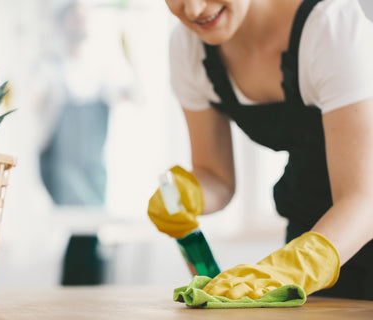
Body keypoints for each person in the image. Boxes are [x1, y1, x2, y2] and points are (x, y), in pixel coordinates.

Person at [148, 0, 373, 300]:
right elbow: (216, 176)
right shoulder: (190, 47)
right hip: (313, 237)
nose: (193, 9)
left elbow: (364, 200)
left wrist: (293, 268)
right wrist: (189, 194)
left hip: (335, 239)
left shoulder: (331, 27)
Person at [35, 0, 134, 285]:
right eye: (76, 17)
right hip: (62, 166)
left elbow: (136, 97)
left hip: (94, 168)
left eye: (85, 17)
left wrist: (130, 50)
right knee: (79, 229)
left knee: (88, 233)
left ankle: (83, 297)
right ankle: (79, 299)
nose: (82, 23)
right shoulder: (50, 67)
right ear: (62, 23)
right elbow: (32, 102)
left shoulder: (101, 70)